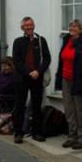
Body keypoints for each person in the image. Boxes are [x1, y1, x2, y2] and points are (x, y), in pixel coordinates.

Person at [12, 16, 51, 144]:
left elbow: (47, 58)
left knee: (36, 105)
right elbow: (16, 61)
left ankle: (36, 132)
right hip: (21, 78)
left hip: (36, 78)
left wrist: (38, 71)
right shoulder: (18, 41)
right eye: (26, 25)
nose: (29, 27)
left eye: (31, 25)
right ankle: (18, 133)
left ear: (34, 26)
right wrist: (29, 72)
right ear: (22, 27)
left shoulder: (41, 40)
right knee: (19, 105)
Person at [54, 19, 82, 150]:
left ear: (81, 29)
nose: (71, 28)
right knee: (69, 110)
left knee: (81, 110)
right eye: (70, 25)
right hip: (66, 79)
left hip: (79, 80)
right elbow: (61, 60)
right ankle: (72, 137)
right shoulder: (66, 40)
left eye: (74, 26)